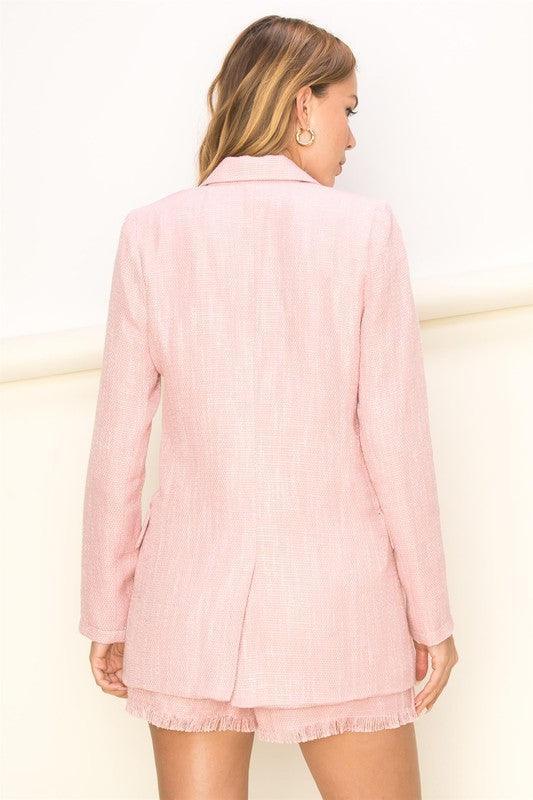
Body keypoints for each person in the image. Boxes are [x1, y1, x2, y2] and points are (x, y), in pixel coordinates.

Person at [79, 14, 459, 799]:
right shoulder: (363, 232)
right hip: (337, 610)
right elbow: (396, 444)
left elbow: (117, 450)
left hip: (184, 610)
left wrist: (109, 614)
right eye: (346, 109)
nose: (351, 137)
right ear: (300, 104)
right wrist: (431, 619)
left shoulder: (151, 234)